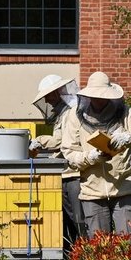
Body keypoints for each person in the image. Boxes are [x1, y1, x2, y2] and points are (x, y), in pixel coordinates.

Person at [61, 71, 131, 236]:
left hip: (124, 189)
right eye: (95, 96)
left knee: (129, 243)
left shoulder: (125, 113)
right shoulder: (74, 117)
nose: (99, 100)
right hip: (92, 192)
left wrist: (129, 137)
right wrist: (91, 157)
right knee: (100, 248)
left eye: (103, 96)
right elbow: (69, 154)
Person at [29, 74, 85, 247]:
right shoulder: (63, 113)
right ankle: (76, 256)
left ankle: (86, 255)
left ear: (58, 92)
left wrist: (40, 141)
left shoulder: (72, 112)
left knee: (79, 220)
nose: (46, 99)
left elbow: (62, 141)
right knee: (69, 221)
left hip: (75, 173)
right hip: (66, 173)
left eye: (48, 95)